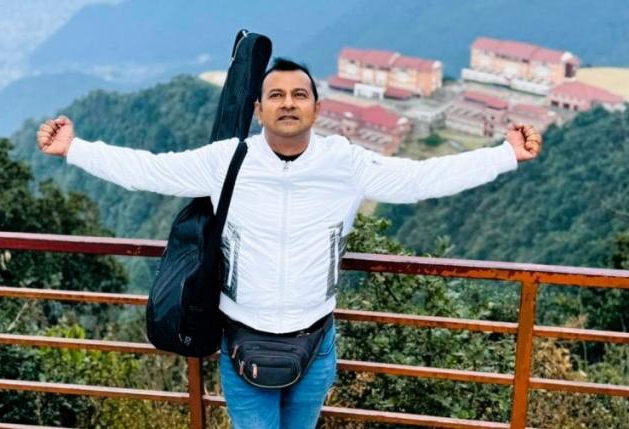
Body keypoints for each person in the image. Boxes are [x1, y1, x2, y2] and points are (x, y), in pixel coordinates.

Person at [36, 58, 541, 429]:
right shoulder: (227, 161)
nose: (288, 103)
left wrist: (504, 156)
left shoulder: (344, 163)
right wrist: (74, 149)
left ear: (317, 108)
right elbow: (148, 170)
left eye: (300, 94)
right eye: (276, 95)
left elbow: (420, 179)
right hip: (242, 338)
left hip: (315, 340)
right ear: (258, 109)